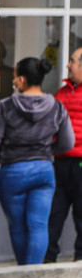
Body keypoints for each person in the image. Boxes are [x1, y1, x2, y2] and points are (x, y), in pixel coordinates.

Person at [0, 57, 74, 265]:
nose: (14, 80)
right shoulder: (57, 107)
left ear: (22, 80)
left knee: (17, 226)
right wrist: (48, 151)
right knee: (38, 225)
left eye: (16, 77)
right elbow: (68, 142)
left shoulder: (6, 106)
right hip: (43, 170)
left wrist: (8, 151)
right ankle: (32, 276)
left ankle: (22, 271)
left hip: (12, 171)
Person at [47, 47, 82, 262]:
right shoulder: (62, 92)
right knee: (54, 213)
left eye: (73, 61)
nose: (68, 65)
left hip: (80, 162)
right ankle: (47, 258)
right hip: (60, 161)